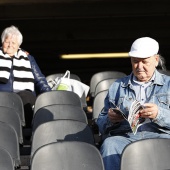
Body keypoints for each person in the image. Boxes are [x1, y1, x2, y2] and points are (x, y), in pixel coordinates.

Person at [97, 37, 170, 170]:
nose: (139, 66)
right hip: (126, 136)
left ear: (156, 60)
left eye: (144, 62)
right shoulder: (117, 86)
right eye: (135, 61)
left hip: (162, 135)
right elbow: (100, 124)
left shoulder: (169, 84)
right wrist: (110, 119)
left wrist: (159, 114)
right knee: (110, 144)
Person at [0, 25, 51, 127]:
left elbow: (40, 79)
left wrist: (50, 95)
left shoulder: (28, 58)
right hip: (2, 97)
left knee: (25, 97)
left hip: (24, 97)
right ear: (2, 42)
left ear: (19, 45)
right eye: (7, 42)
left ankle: (26, 132)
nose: (10, 45)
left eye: (13, 42)